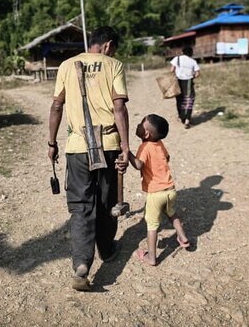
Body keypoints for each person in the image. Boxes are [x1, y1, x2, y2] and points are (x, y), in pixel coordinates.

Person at [47, 26, 130, 291]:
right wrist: (126, 148)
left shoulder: (66, 65)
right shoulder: (113, 65)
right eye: (113, 48)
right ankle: (106, 249)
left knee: (81, 205)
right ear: (107, 45)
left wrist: (51, 143)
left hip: (77, 146)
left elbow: (56, 106)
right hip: (107, 144)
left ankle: (81, 265)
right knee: (106, 200)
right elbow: (119, 107)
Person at [128, 114, 189, 266]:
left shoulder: (145, 147)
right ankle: (182, 237)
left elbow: (139, 165)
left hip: (156, 194)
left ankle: (152, 258)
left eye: (141, 123)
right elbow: (166, 158)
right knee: (171, 213)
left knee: (152, 225)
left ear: (146, 133)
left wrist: (127, 152)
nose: (138, 125)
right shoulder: (159, 143)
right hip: (170, 190)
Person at [171, 46, 200, 129]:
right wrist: (192, 76)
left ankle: (181, 117)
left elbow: (171, 70)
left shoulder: (177, 59)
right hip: (188, 82)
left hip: (178, 81)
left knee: (179, 100)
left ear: (183, 52)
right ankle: (187, 120)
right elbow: (198, 73)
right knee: (189, 100)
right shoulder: (193, 61)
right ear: (191, 53)